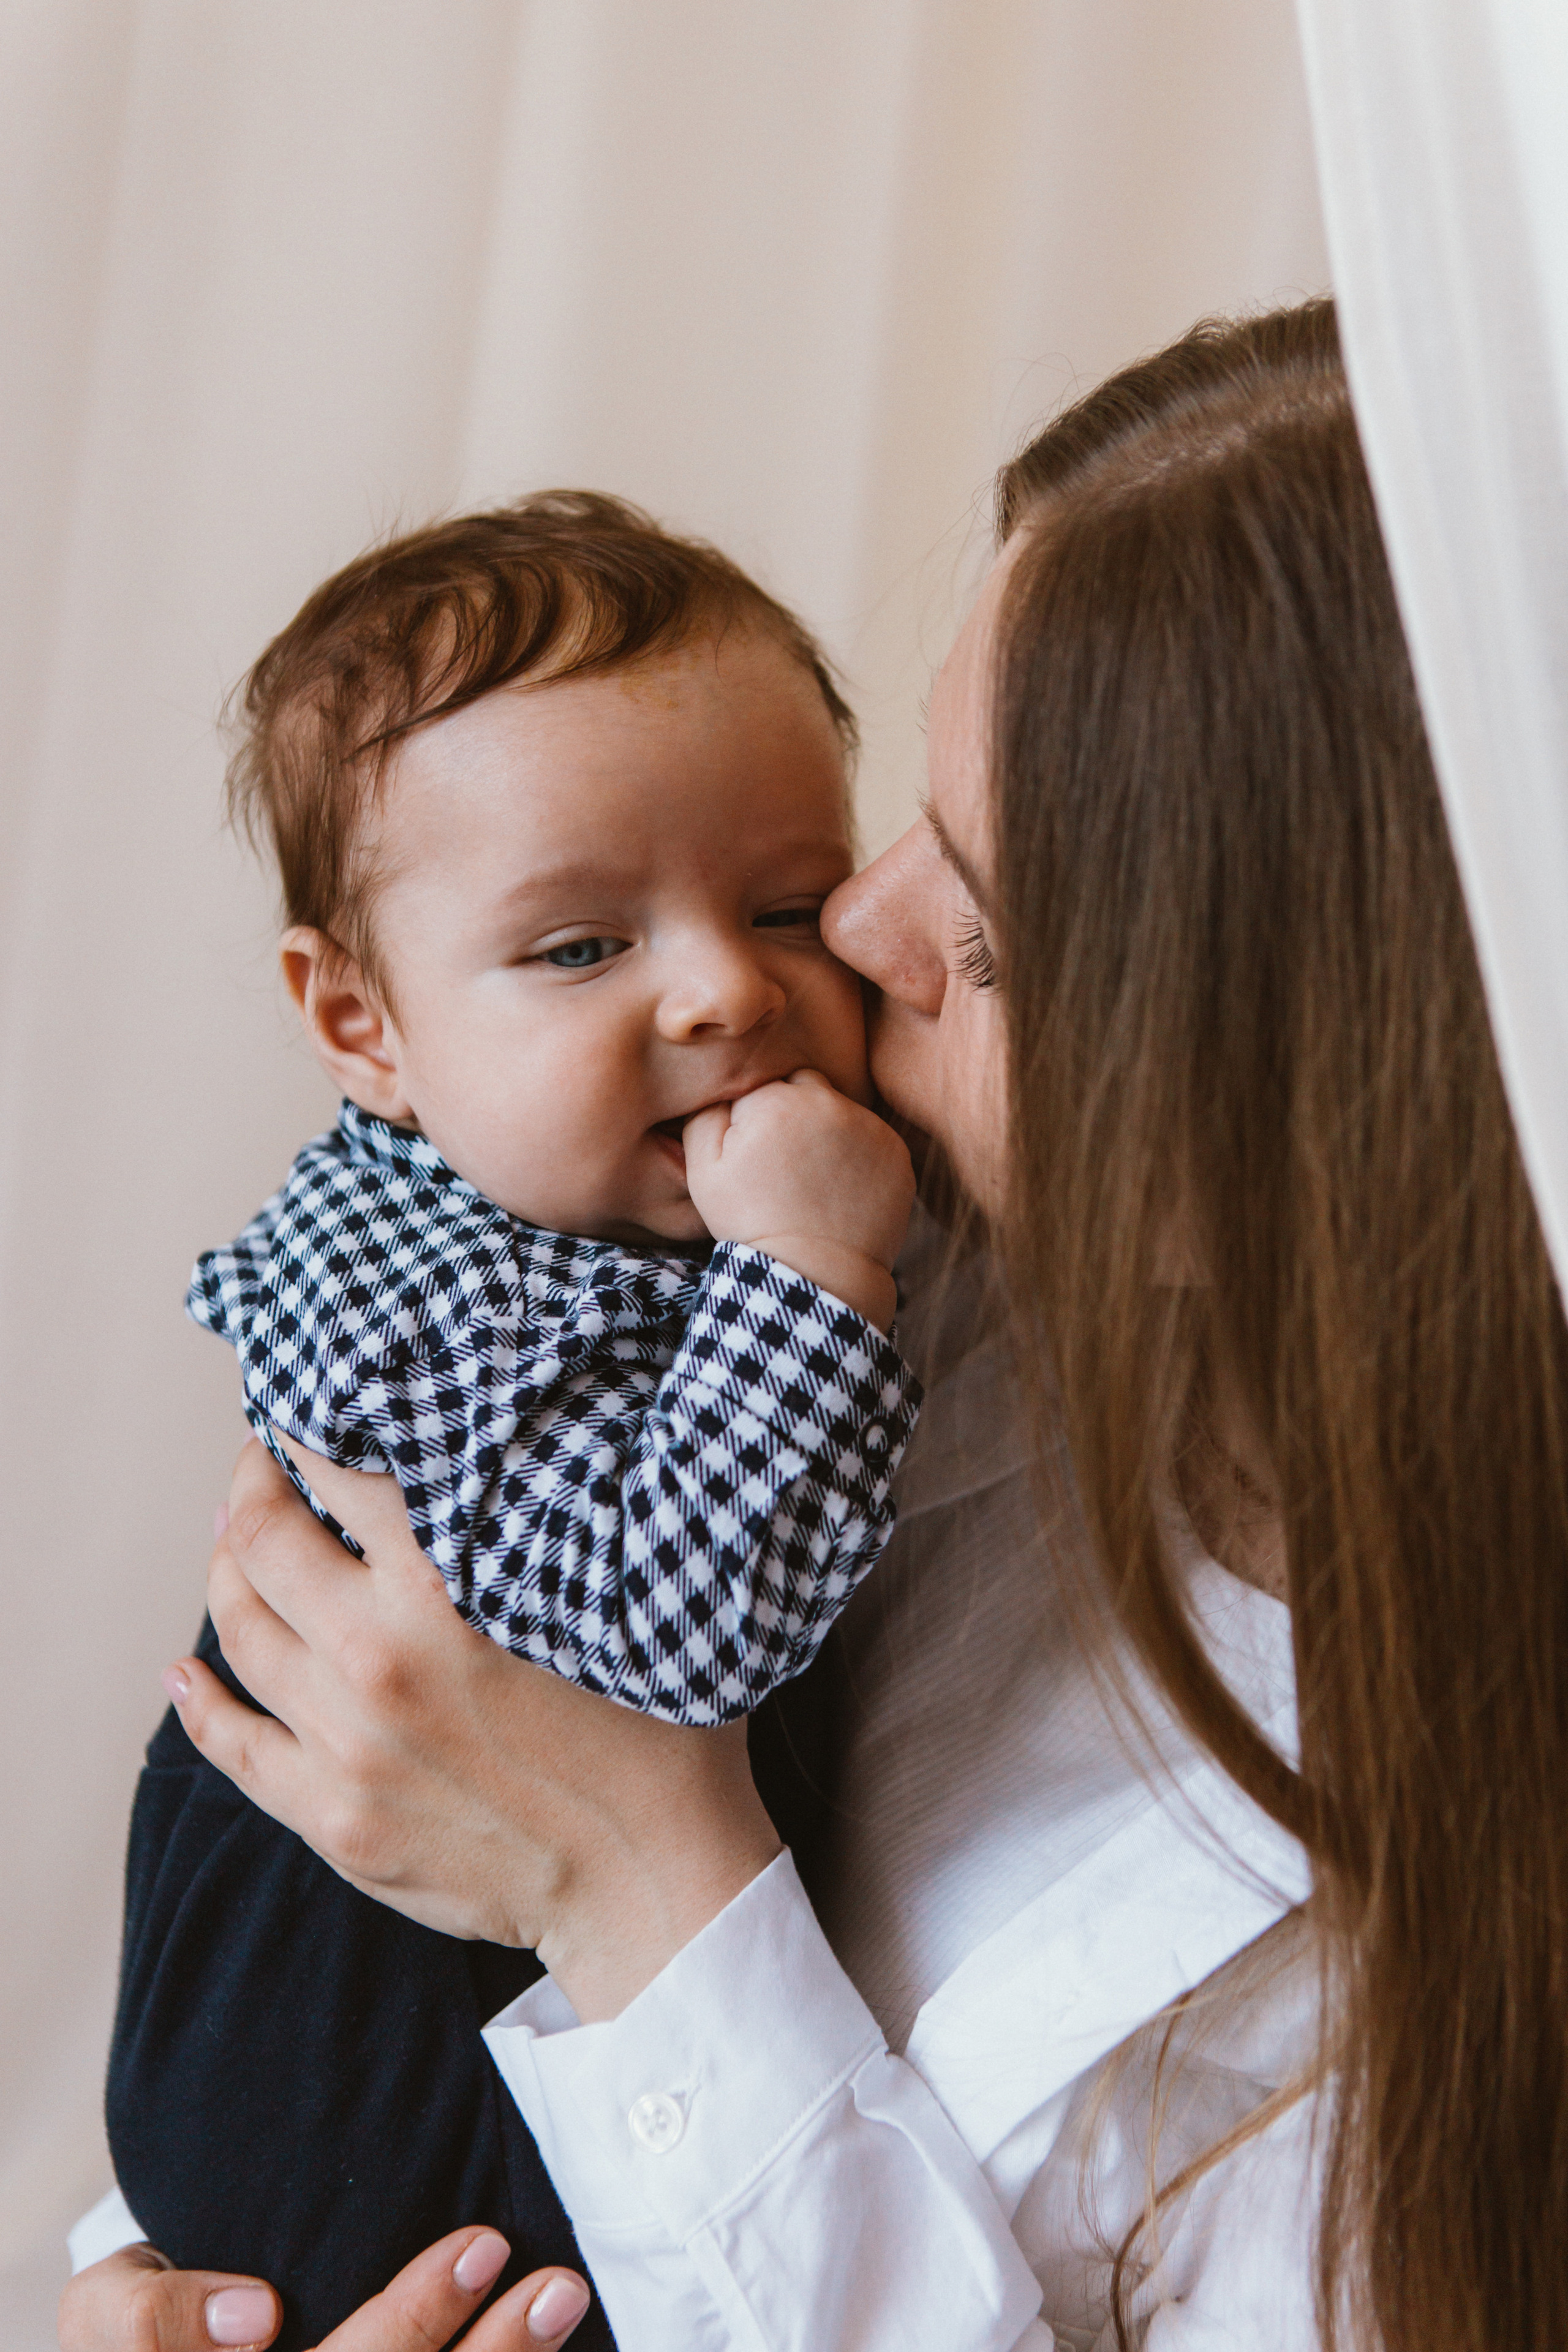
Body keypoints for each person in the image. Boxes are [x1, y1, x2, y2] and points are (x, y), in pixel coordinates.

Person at [64, 294, 1568, 2350]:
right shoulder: (868, 1260)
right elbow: (345, 1894)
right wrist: (166, 2293)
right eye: (912, 821)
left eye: (987, 924)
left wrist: (636, 1883)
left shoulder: (1419, 1972)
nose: (848, 936)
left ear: (1294, 1101)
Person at [102, 492, 920, 2350]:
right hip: (355, 2062)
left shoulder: (610, 1205)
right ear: (361, 1022)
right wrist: (813, 1269)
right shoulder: (422, 1302)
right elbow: (674, 1635)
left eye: (789, 908)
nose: (726, 989)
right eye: (578, 948)